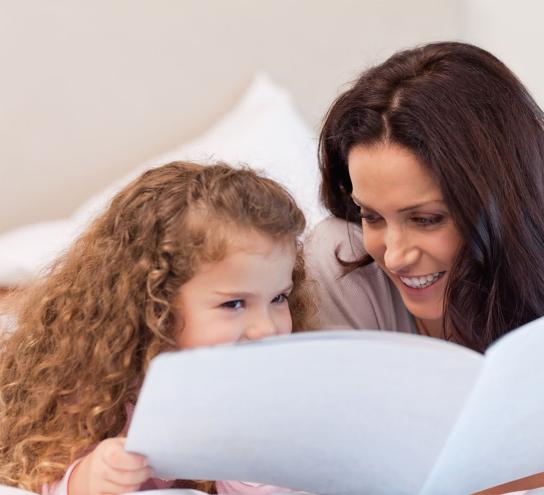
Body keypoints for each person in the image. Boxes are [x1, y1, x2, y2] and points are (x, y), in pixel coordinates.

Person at [305, 41, 544, 489]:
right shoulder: (340, 262)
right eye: (371, 216)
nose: (393, 254)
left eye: (426, 219)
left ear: (501, 203)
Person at [0, 162, 313, 495]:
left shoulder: (272, 384)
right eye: (233, 304)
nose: (266, 328)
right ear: (155, 304)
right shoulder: (98, 382)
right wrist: (87, 479)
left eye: (279, 297)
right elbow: (39, 474)